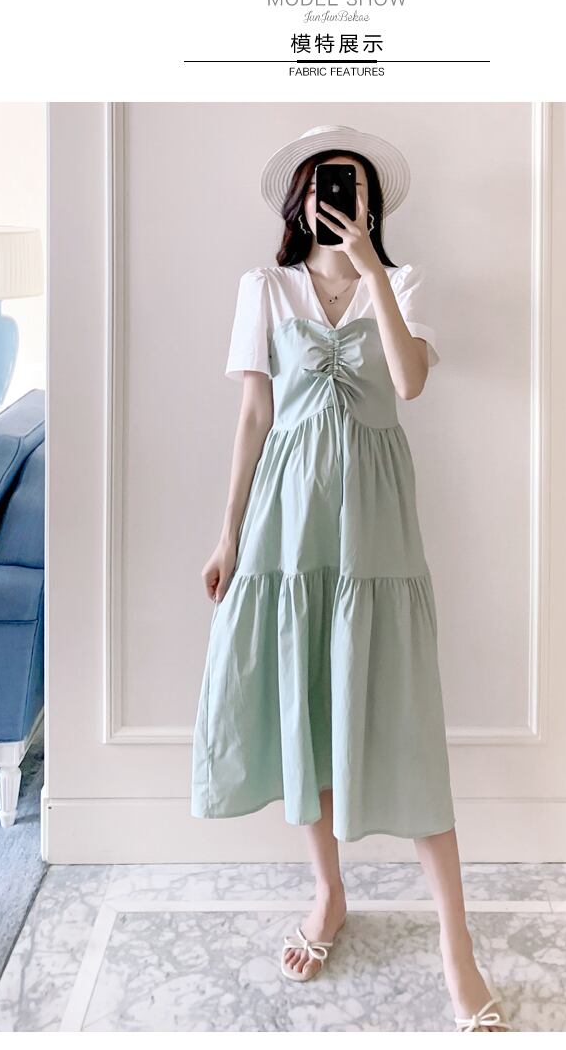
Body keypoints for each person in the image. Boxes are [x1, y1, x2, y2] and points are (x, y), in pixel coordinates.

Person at [190, 125, 512, 1033]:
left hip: (375, 527)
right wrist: (227, 534)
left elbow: (408, 385)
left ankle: (456, 947)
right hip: (287, 523)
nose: (339, 198)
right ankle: (327, 893)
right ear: (299, 200)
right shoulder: (264, 289)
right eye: (326, 185)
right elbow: (254, 416)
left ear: (374, 204)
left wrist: (370, 269)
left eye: (355, 186)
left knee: (399, 715)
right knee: (306, 700)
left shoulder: (402, 286)